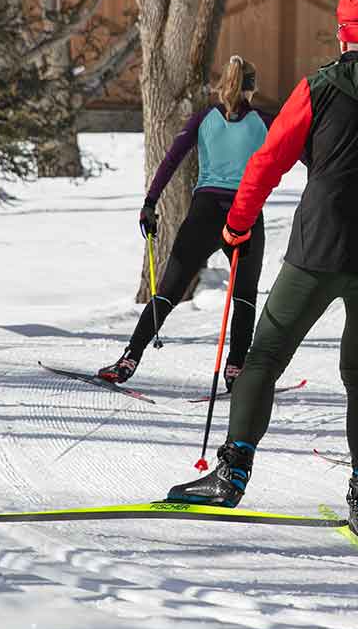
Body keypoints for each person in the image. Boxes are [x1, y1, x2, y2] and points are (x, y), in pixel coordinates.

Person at [165, 0, 358, 543]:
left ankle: (230, 476)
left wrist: (236, 223)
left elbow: (267, 160)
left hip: (315, 250)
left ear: (344, 34)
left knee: (264, 358)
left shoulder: (318, 87)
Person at [96, 55, 274, 389]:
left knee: (167, 293)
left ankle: (128, 359)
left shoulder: (204, 118)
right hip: (245, 213)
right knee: (244, 296)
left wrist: (150, 203)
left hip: (204, 212)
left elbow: (171, 159)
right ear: (254, 88)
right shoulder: (265, 121)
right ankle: (235, 371)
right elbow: (301, 151)